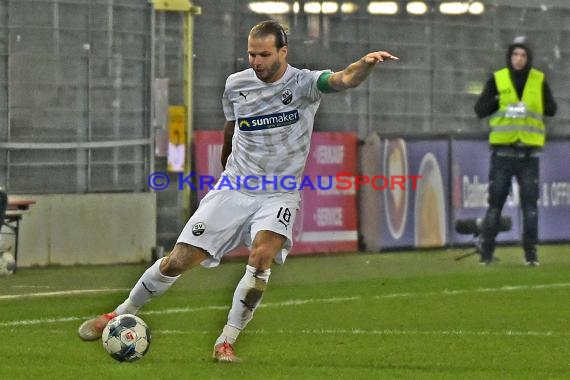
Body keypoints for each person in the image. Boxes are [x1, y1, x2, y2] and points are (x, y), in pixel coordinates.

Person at [77, 20, 398, 362]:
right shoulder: (236, 84)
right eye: (251, 54)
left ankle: (225, 342)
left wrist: (364, 65)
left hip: (279, 192)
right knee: (177, 261)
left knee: (261, 258)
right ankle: (119, 313)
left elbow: (342, 78)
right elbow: (231, 129)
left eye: (264, 54)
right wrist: (225, 170)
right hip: (234, 186)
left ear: (282, 52)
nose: (256, 61)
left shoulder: (304, 84)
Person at [474, 37, 557, 266]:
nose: (518, 59)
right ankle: (487, 253)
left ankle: (531, 255)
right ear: (509, 58)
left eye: (523, 55)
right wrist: (498, 101)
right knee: (496, 204)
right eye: (515, 55)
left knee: (530, 207)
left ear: (528, 59)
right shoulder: (498, 79)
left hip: (529, 154)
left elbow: (551, 109)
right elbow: (480, 109)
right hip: (503, 153)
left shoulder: (538, 80)